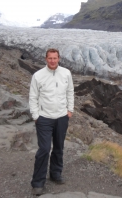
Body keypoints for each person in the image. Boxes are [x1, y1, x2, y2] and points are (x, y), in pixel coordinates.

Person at [29, 48, 74, 196]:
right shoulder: (38, 76)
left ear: (59, 58)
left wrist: (70, 110)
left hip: (62, 117)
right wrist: (36, 116)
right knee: (44, 149)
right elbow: (33, 96)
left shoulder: (66, 73)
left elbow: (70, 92)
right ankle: (38, 182)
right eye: (50, 58)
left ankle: (55, 174)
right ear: (45, 59)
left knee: (59, 147)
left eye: (55, 58)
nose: (53, 61)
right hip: (44, 118)